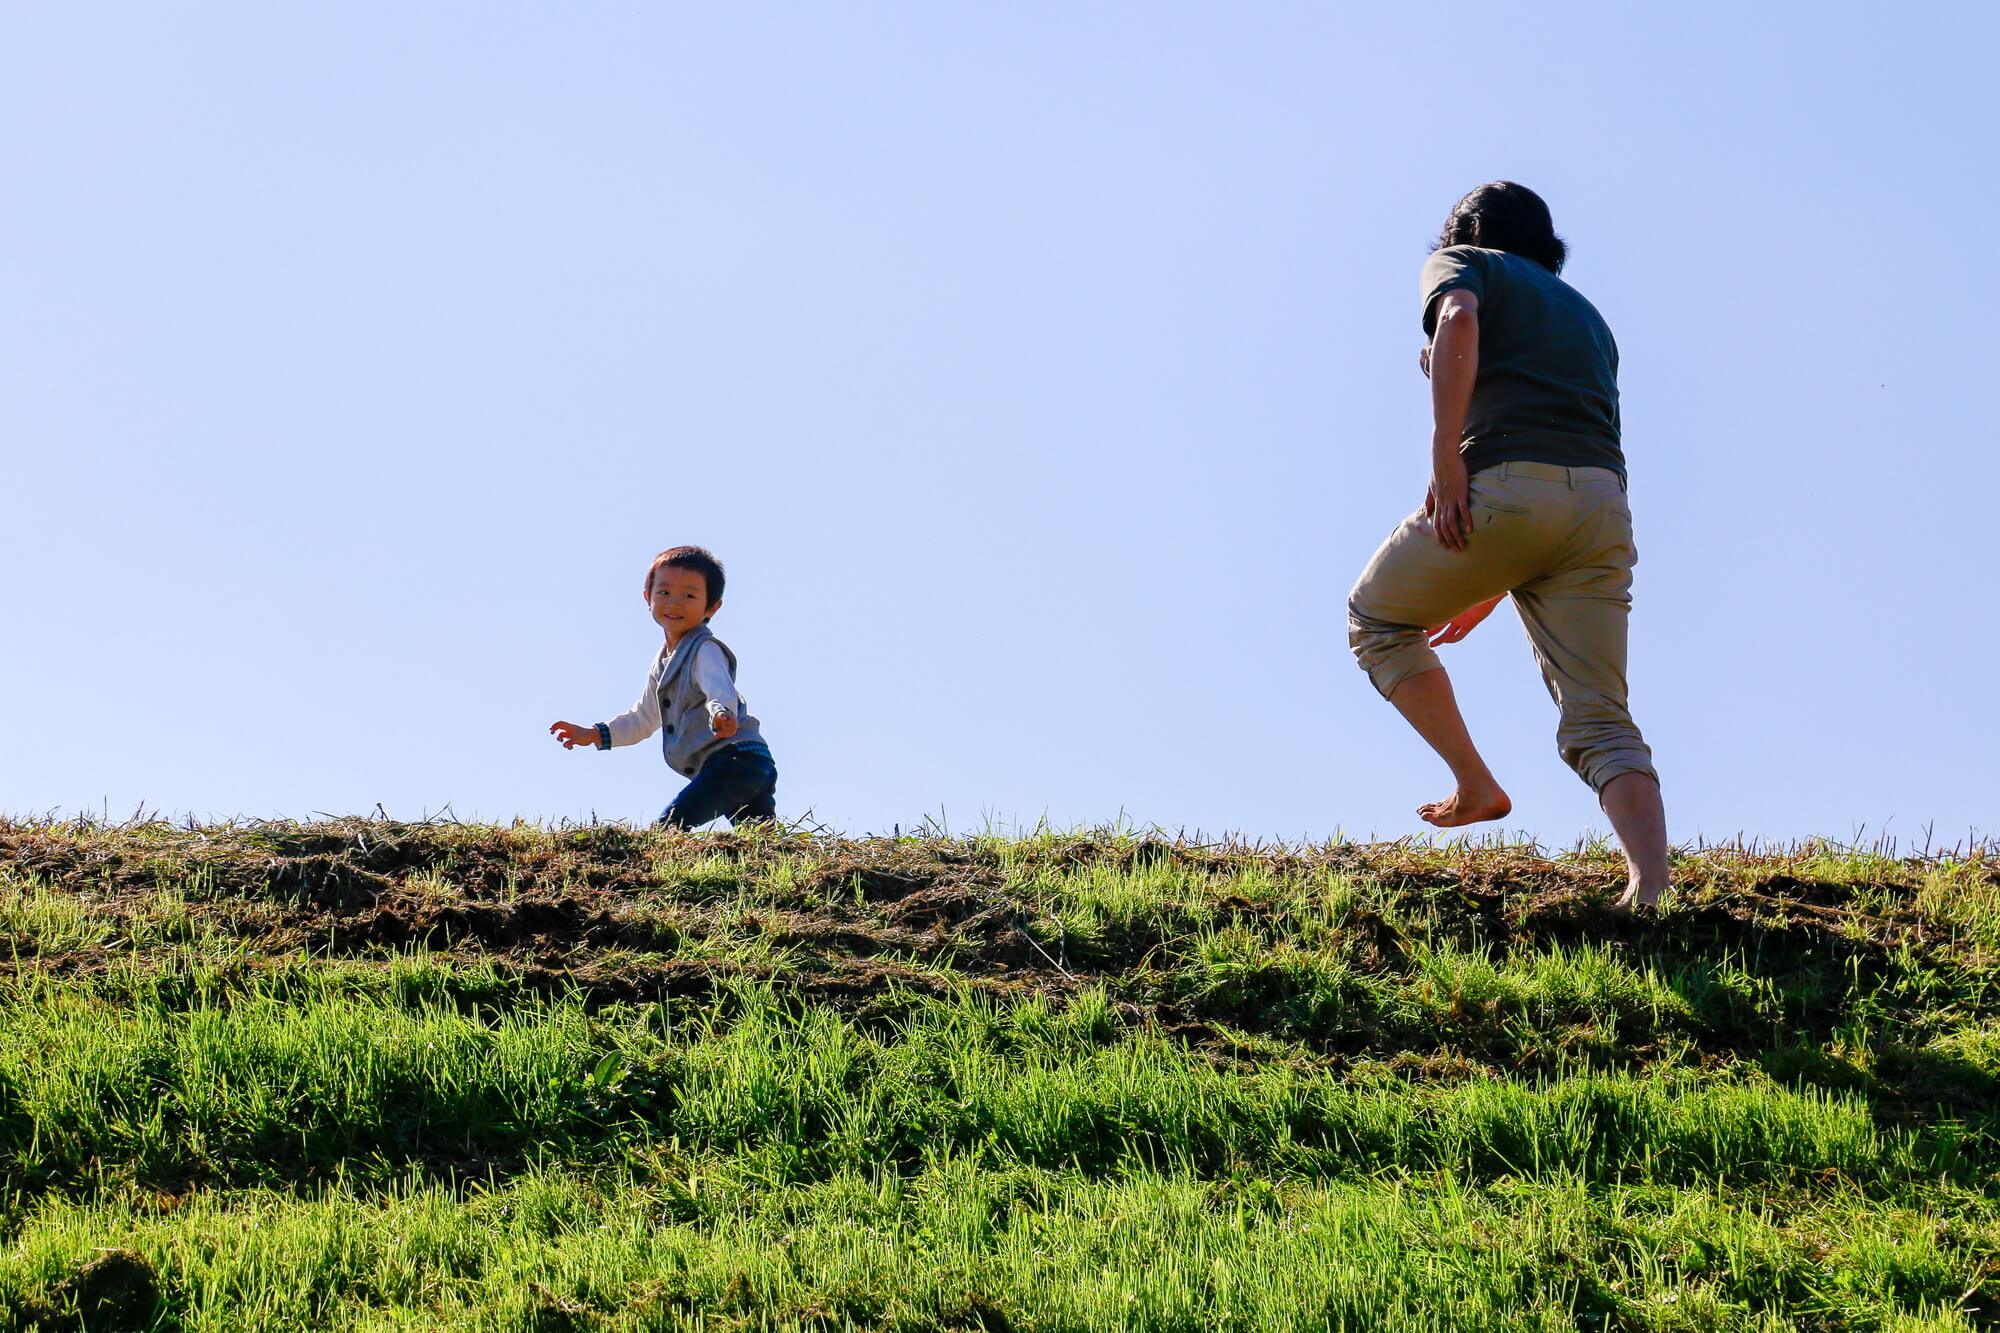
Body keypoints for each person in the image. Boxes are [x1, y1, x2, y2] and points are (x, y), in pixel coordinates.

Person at [1346, 182, 1668, 911]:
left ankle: (1474, 784)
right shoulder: (1589, 317)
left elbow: (1457, 318)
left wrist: (1445, 458)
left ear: (1471, 231)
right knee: (1601, 718)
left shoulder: (1467, 264)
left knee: (1375, 621)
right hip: (1600, 507)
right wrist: (1497, 577)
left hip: (1505, 488)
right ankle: (1650, 886)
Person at [549, 545, 778, 829]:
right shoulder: (664, 663)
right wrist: (594, 734)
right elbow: (642, 718)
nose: (675, 603)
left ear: (712, 607)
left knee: (670, 826)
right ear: (648, 597)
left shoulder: (703, 649)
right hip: (749, 764)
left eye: (690, 595)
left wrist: (722, 714)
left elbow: (718, 687)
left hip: (735, 760)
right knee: (762, 842)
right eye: (664, 592)